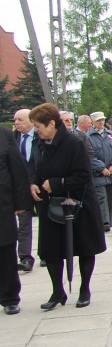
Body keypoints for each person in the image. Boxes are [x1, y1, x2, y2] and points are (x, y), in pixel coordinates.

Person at [28, 103, 107, 309]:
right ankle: (57, 291)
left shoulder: (74, 143)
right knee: (51, 249)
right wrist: (35, 184)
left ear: (51, 124)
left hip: (78, 203)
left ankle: (84, 289)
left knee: (84, 247)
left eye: (38, 126)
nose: (36, 130)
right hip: (52, 205)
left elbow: (83, 175)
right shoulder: (42, 142)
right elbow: (40, 168)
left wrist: (56, 183)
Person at [1, 123, 31, 314]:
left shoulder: (4, 134)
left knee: (5, 251)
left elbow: (17, 170)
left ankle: (9, 297)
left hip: (2, 205)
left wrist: (20, 203)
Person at [86, 112, 112, 231]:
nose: (101, 123)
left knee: (109, 197)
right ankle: (104, 221)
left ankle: (109, 219)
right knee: (101, 197)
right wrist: (101, 168)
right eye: (98, 121)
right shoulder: (88, 137)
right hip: (98, 174)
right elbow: (89, 155)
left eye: (102, 120)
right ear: (92, 122)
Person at [12, 109, 37, 273]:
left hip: (40, 186)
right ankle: (25, 258)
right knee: (24, 223)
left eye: (20, 119)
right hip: (21, 188)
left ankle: (47, 254)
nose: (16, 123)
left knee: (48, 222)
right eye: (15, 120)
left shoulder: (40, 136)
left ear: (31, 121)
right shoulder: (12, 139)